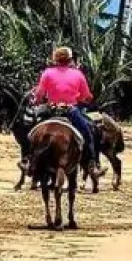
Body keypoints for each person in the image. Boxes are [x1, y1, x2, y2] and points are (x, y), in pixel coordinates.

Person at [32, 45, 103, 178]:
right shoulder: (78, 74)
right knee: (88, 134)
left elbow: (39, 94)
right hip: (71, 110)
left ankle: (30, 162)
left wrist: (37, 100)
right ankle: (92, 165)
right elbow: (87, 96)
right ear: (70, 60)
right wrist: (82, 99)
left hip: (50, 110)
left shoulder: (47, 73)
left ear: (55, 60)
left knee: (32, 129)